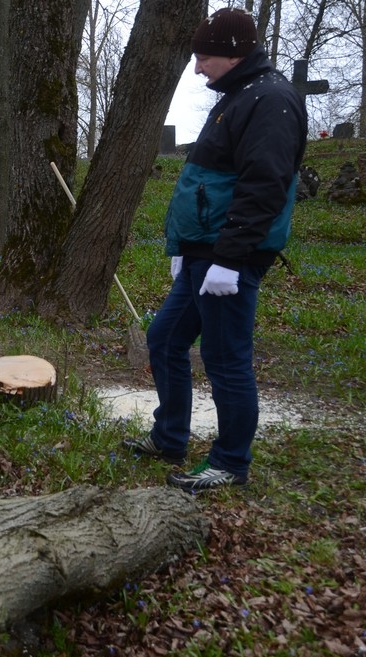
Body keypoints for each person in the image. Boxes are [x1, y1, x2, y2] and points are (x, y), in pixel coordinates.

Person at [123, 7, 307, 492]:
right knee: (164, 339)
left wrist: (228, 259)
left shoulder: (270, 100)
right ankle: (170, 437)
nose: (198, 67)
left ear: (232, 53)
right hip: (205, 252)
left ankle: (229, 463)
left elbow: (264, 186)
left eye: (204, 57)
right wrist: (184, 246)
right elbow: (209, 180)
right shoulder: (238, 96)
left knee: (226, 358)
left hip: (231, 257)